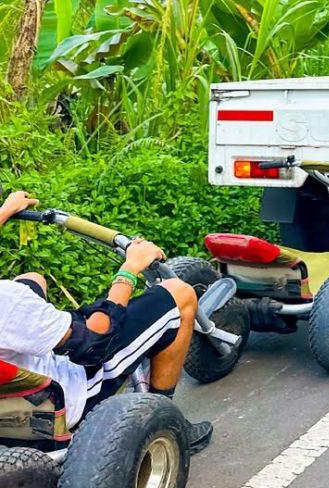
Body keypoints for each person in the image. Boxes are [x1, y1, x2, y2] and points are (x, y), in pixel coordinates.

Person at [0, 189, 213, 449]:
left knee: (32, 280)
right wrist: (130, 268)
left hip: (11, 397)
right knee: (180, 295)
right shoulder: (9, 300)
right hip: (62, 400)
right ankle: (166, 420)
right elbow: (94, 344)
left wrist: (5, 211)